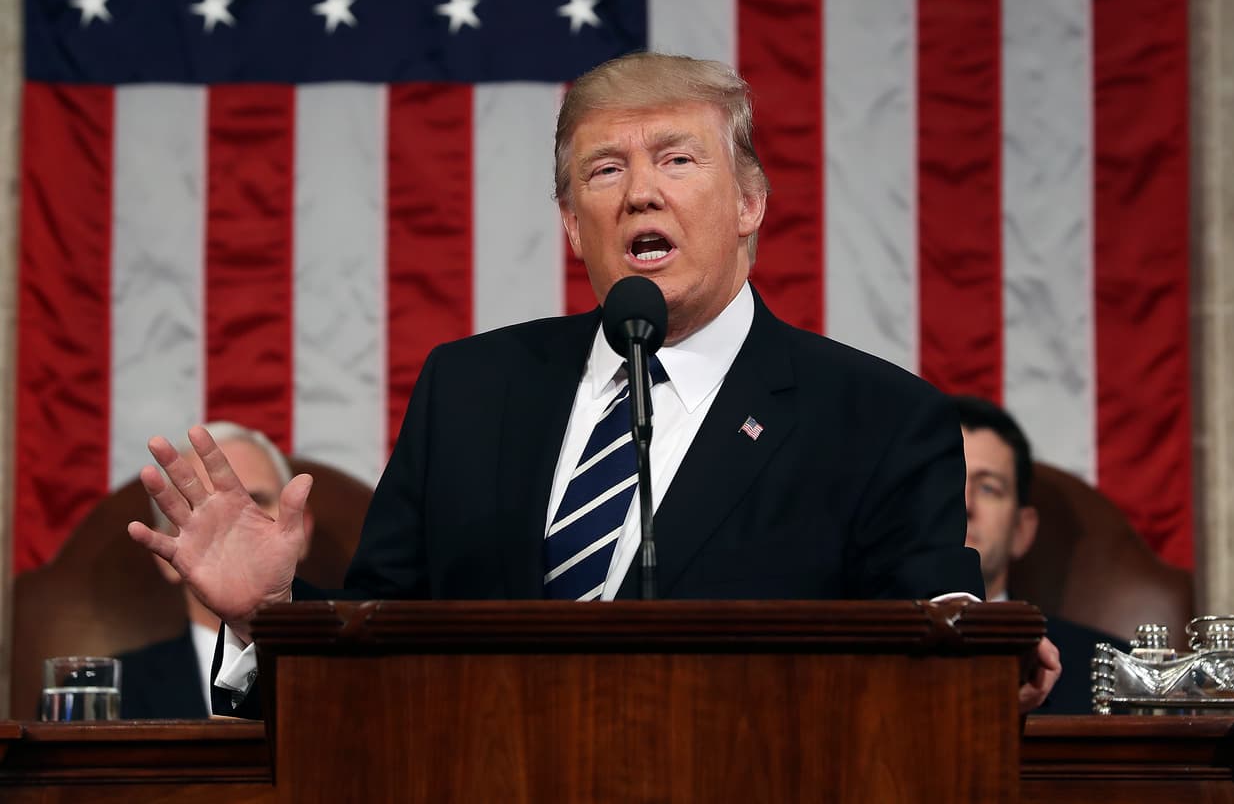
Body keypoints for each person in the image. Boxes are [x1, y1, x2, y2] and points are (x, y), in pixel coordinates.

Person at [128, 52, 1057, 715]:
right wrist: (273, 613)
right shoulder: (470, 388)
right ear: (575, 226)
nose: (639, 193)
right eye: (604, 171)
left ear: (748, 204)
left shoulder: (881, 417)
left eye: (677, 159)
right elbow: (384, 648)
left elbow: (940, 622)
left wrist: (978, 650)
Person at [117, 421, 312, 719]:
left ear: (303, 530)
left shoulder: (367, 672)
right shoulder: (107, 692)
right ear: (162, 556)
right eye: (206, 510)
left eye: (256, 500)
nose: (241, 525)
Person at [953, 394, 1121, 714]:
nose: (966, 505)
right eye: (949, 481)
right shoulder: (858, 656)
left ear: (1021, 531)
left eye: (988, 488)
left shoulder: (1106, 676)